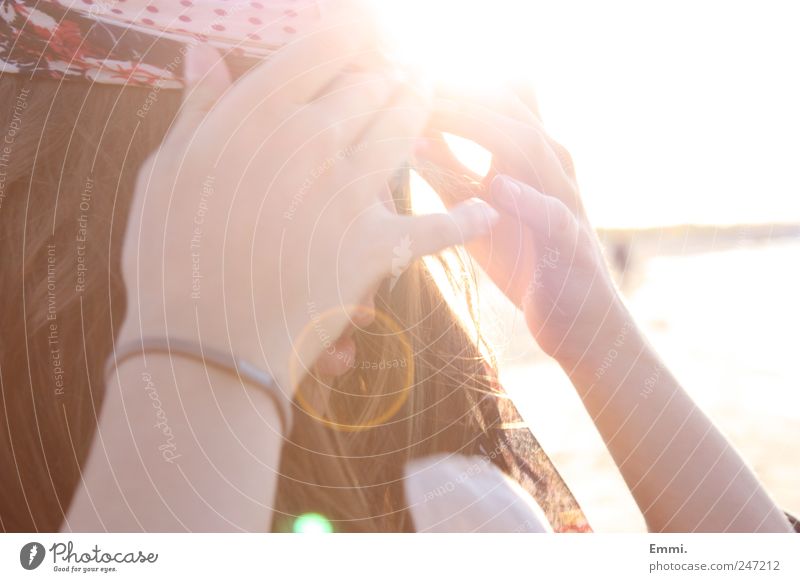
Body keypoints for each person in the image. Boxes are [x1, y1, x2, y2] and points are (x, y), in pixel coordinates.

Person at [0, 0, 793, 533]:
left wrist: (603, 343)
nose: (371, 246)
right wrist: (198, 358)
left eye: (379, 161)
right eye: (289, 172)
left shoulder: (440, 504)